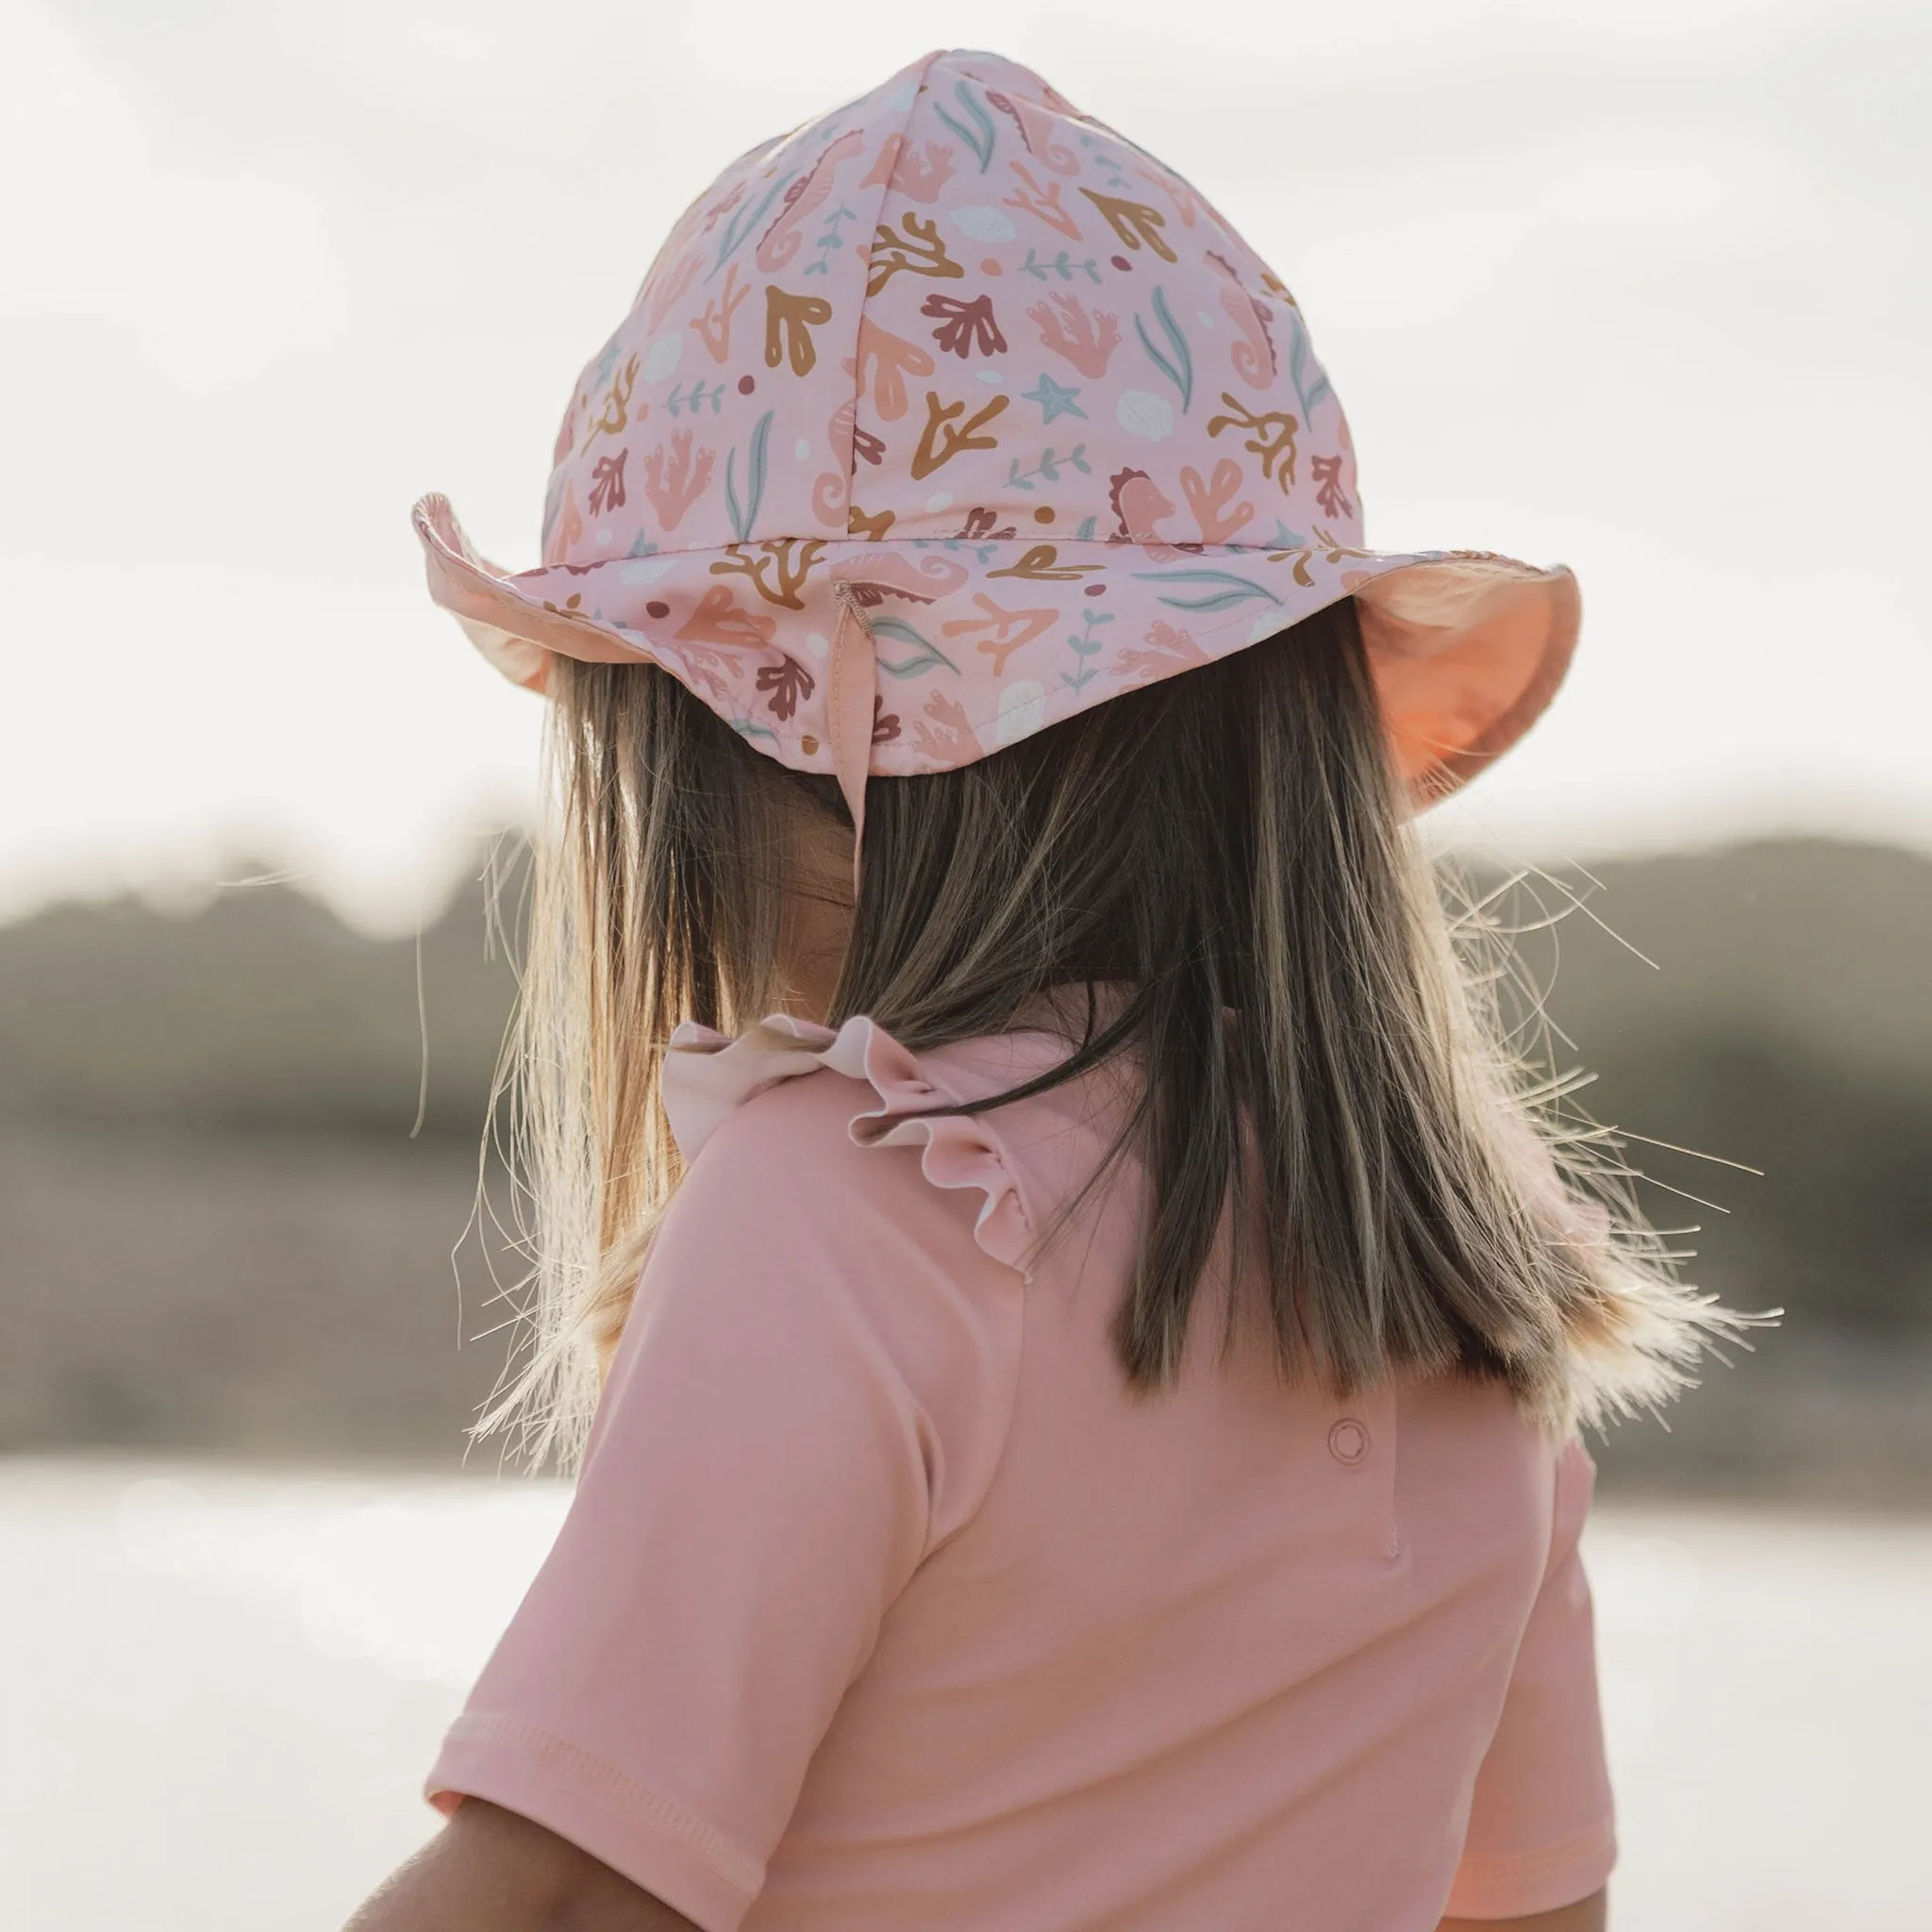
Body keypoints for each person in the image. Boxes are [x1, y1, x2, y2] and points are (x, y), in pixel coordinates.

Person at [346, 47, 1739, 1931]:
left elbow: (566, 1901)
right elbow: (1534, 1918)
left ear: (720, 759)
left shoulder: (855, 1219)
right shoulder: (1459, 1287)